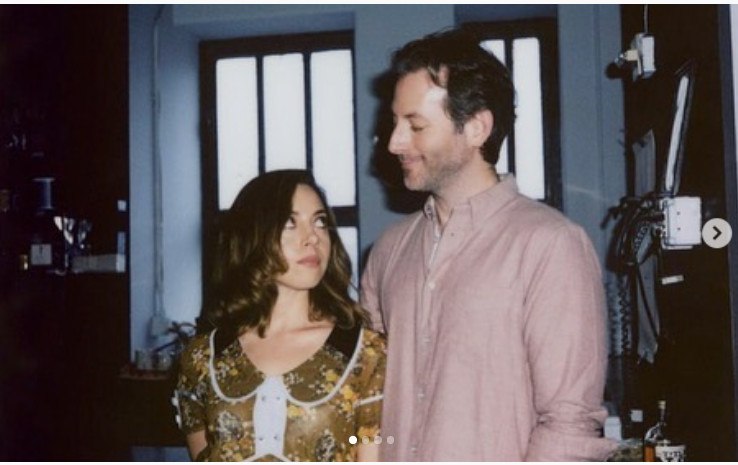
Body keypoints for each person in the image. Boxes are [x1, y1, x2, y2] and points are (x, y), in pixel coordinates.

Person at [360, 28, 617, 461]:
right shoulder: (387, 250)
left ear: (477, 127)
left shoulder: (551, 246)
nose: (394, 142)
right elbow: (366, 401)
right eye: (395, 122)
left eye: (416, 125)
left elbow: (568, 425)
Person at [174, 170, 386, 461]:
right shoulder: (202, 358)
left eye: (320, 222)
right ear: (252, 235)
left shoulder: (367, 354)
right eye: (289, 223)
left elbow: (371, 449)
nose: (312, 237)